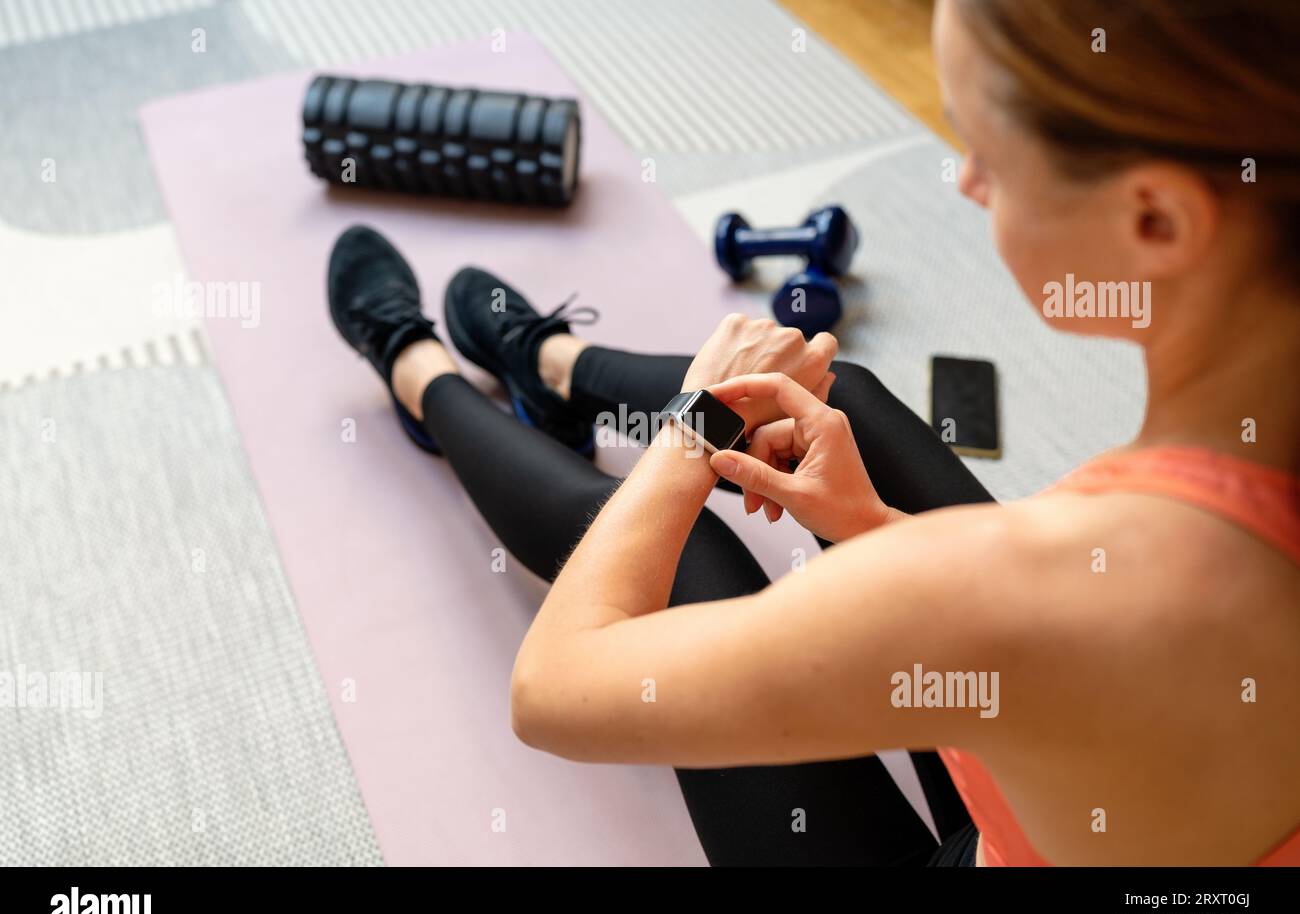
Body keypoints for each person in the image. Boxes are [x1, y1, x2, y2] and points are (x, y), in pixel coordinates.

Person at [327, 0, 1300, 866]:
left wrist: (694, 430)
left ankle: (418, 375)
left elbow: (551, 688)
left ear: (1157, 222)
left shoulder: (1018, 587)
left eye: (985, 150)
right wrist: (875, 538)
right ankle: (557, 373)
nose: (964, 181)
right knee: (846, 404)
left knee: (677, 549)